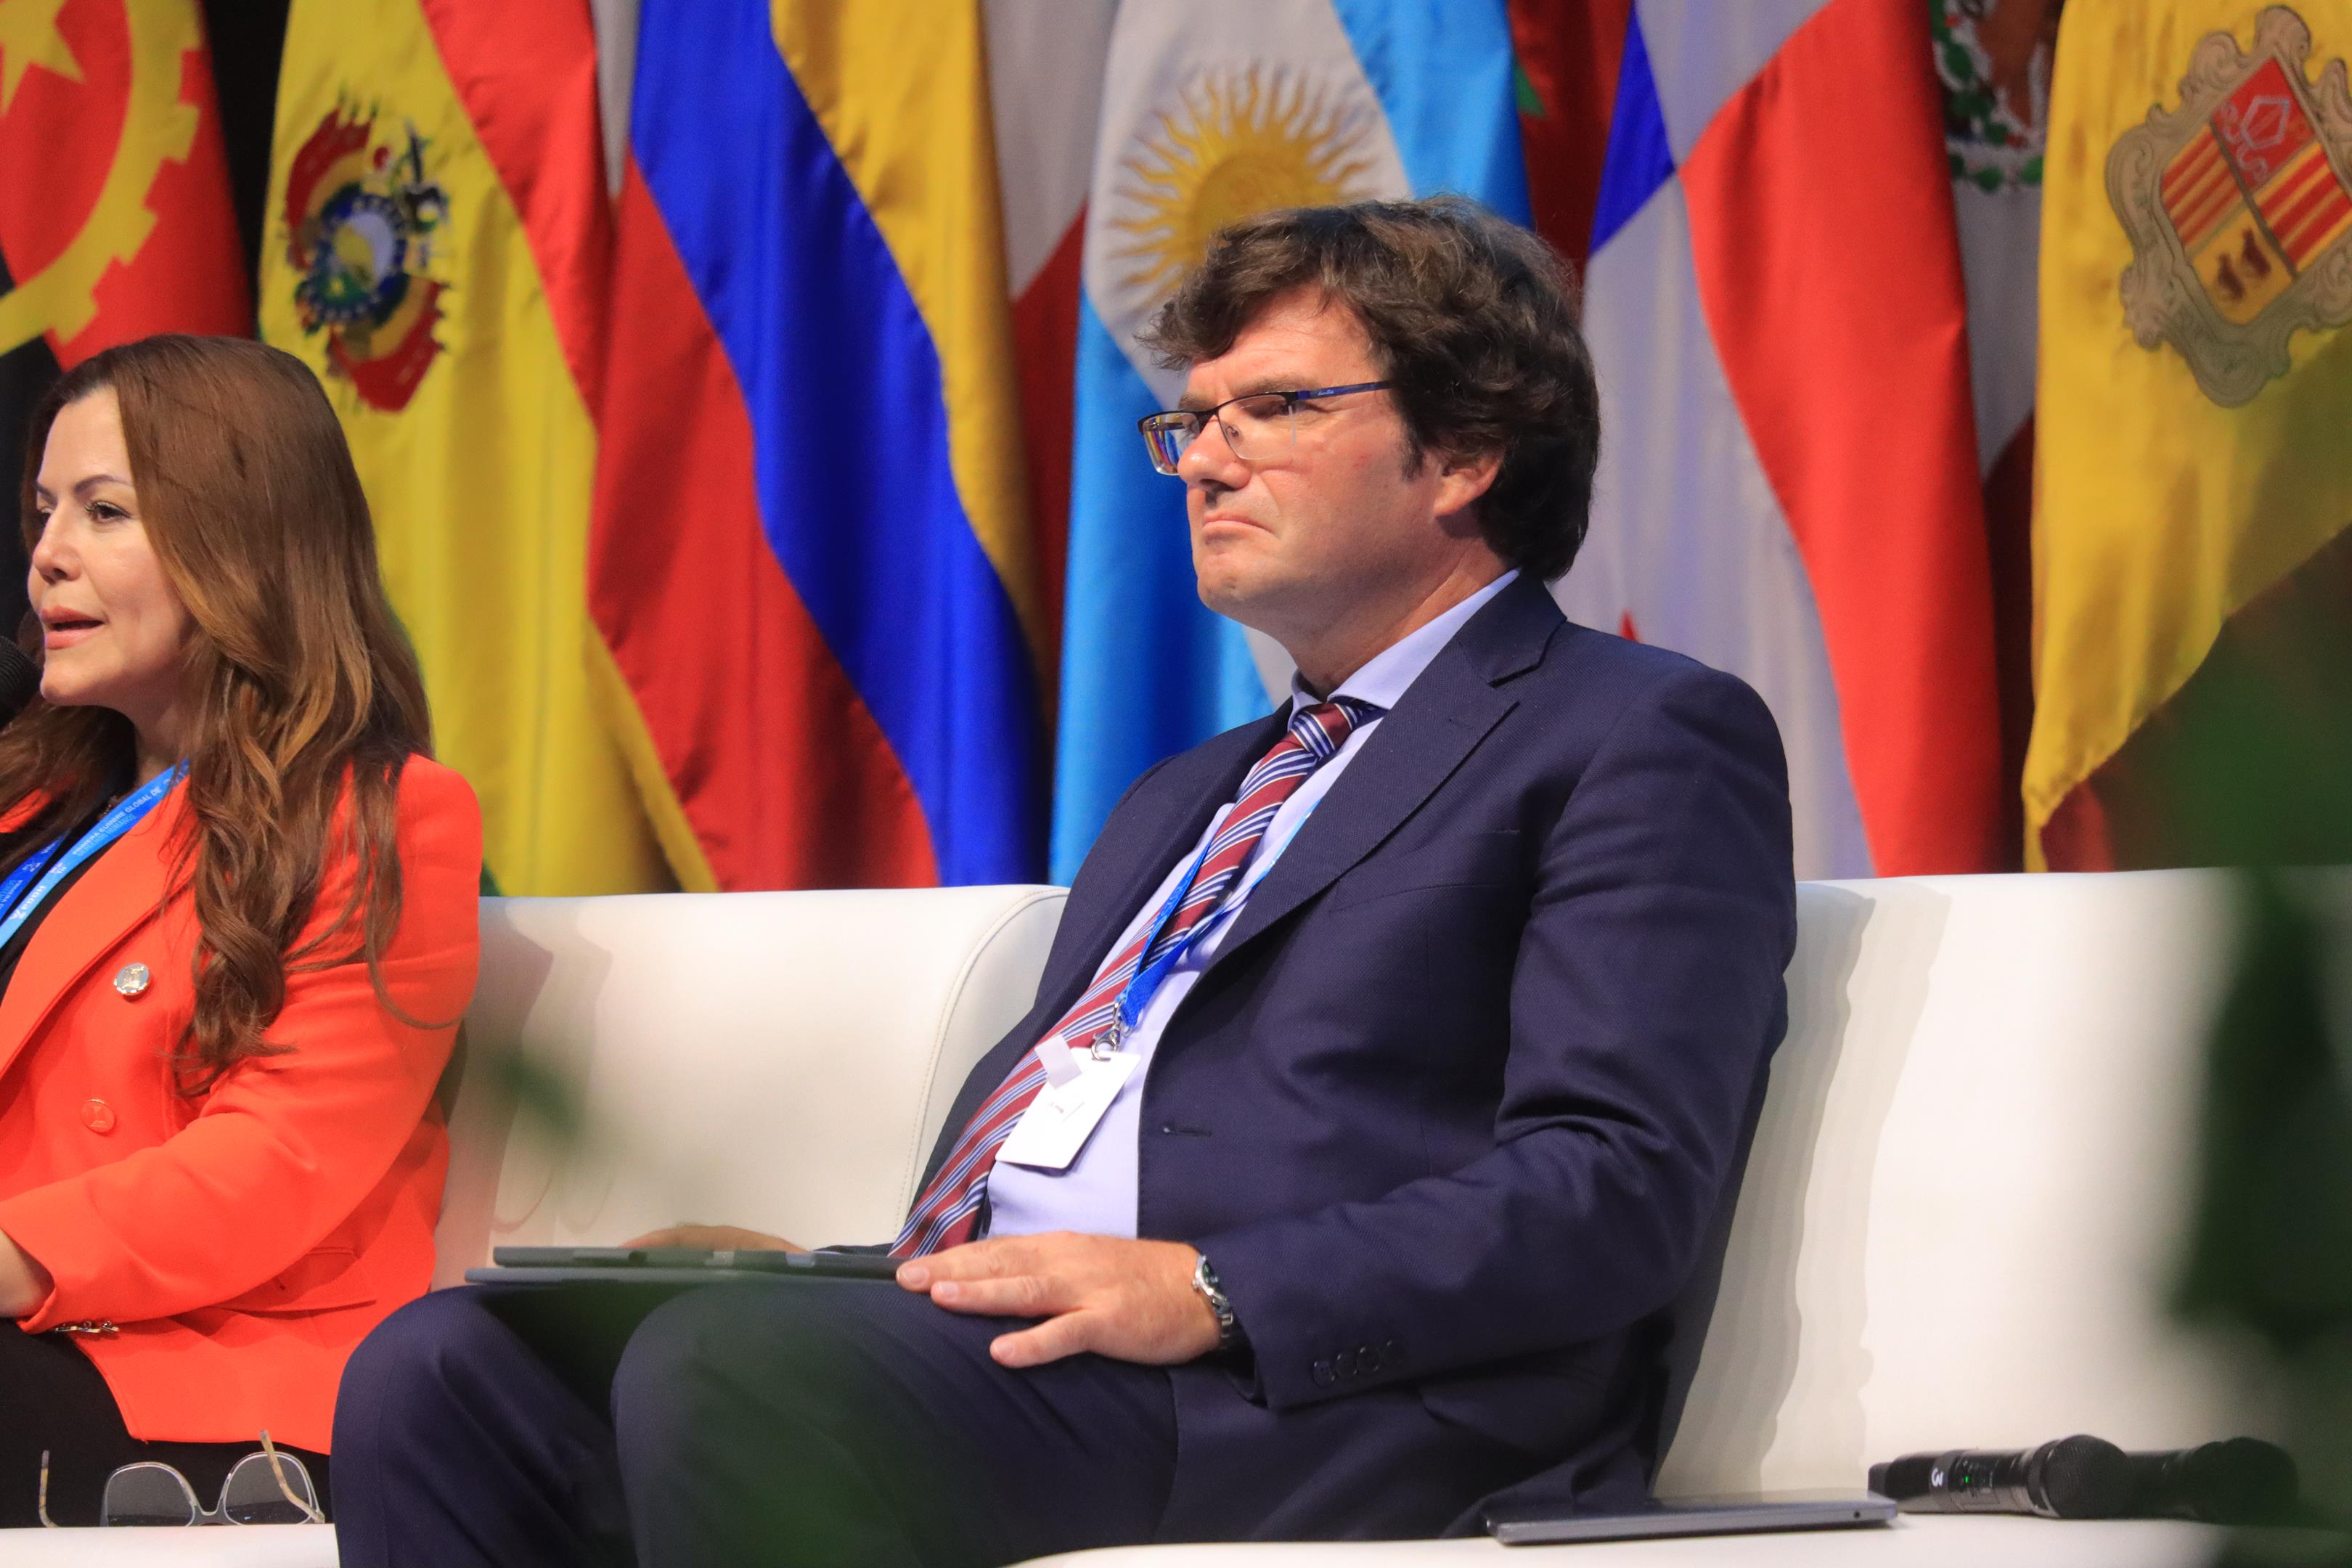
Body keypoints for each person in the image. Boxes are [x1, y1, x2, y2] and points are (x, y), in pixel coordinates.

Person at [333, 197, 1794, 1566]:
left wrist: (1211, 1287)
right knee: (446, 1368)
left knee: (732, 1368)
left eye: (1276, 409)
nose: (1207, 461)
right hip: (1047, 1359)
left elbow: (1616, 1184)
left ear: (1467, 454)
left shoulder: (1635, 734)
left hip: (1333, 1393)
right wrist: (849, 1272)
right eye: (1195, 422)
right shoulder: (1187, 794)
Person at [0, 335, 482, 1527]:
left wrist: (12, 1255)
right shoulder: (29, 801)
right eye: (45, 511)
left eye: (104, 512)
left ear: (243, 540)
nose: (47, 554)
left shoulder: (381, 818)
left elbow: (273, 1165)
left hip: (202, 1369)